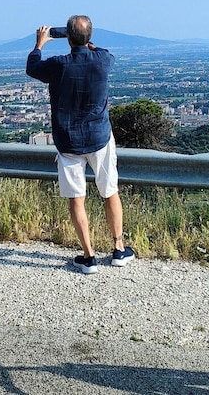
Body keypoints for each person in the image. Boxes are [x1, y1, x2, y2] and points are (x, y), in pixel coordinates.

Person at [26, 15, 135, 274]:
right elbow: (103, 51)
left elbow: (32, 68)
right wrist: (85, 41)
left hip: (68, 141)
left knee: (77, 199)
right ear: (89, 38)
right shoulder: (103, 60)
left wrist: (39, 44)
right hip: (100, 138)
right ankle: (119, 249)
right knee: (110, 191)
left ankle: (88, 257)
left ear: (68, 38)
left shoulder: (59, 65)